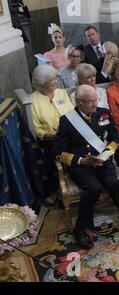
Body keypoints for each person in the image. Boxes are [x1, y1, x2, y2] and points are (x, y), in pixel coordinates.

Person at [52, 85, 119, 249]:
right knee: (93, 188)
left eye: (95, 100)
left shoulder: (103, 113)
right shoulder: (67, 120)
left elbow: (114, 138)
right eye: (90, 102)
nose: (94, 104)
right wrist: (82, 161)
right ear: (78, 102)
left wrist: (105, 153)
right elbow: (57, 151)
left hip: (102, 160)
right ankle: (81, 228)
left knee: (113, 184)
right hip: (81, 165)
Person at [31, 64, 75, 201]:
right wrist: (55, 135)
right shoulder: (33, 101)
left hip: (71, 135)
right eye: (51, 81)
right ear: (41, 84)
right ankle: (60, 191)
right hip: (50, 140)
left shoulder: (61, 93)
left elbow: (73, 113)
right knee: (59, 154)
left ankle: (81, 182)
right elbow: (37, 129)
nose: (55, 82)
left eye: (55, 79)